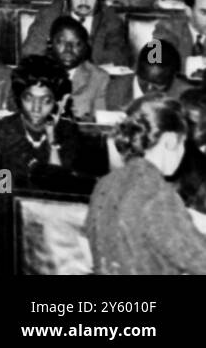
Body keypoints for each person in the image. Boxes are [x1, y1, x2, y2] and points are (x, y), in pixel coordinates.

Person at [86, 96, 206, 274]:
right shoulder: (157, 193)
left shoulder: (106, 183)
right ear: (171, 140)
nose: (182, 154)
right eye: (183, 144)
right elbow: (199, 259)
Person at [0, 54, 84, 184]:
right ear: (19, 97)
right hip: (8, 200)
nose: (36, 108)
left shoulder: (68, 132)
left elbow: (61, 187)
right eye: (29, 99)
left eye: (46, 100)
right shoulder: (1, 131)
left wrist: (52, 140)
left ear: (57, 101)